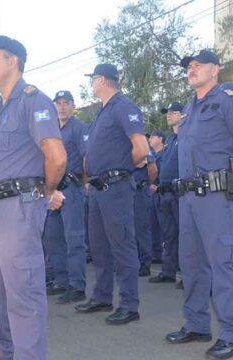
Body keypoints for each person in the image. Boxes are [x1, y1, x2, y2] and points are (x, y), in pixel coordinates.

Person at [0, 35, 66, 360]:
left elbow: (56, 156)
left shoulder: (33, 100)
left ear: (12, 61)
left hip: (18, 207)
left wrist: (48, 191)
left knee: (23, 292)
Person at [165, 50, 233, 360]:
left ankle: (230, 333)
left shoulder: (227, 101)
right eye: (188, 67)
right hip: (188, 198)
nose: (191, 70)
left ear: (215, 70)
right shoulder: (189, 109)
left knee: (223, 265)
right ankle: (196, 324)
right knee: (191, 263)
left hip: (218, 197)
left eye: (197, 65)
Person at [75, 64, 149, 326]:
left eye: (92, 79)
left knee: (122, 245)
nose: (91, 84)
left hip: (116, 187)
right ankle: (102, 296)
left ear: (102, 80)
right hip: (97, 189)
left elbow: (141, 148)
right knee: (99, 247)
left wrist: (121, 169)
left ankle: (129, 305)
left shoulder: (123, 106)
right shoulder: (101, 112)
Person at [43, 90, 88, 304]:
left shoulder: (78, 128)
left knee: (74, 239)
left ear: (73, 105)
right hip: (53, 189)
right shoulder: (51, 129)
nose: (61, 107)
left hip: (72, 188)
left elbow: (86, 157)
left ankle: (77, 286)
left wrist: (85, 184)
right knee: (53, 237)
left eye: (65, 103)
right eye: (58, 103)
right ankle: (61, 280)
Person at [149, 102, 183, 285]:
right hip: (165, 193)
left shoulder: (187, 135)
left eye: (174, 112)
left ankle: (188, 274)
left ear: (183, 115)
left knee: (185, 235)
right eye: (167, 112)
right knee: (169, 235)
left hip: (179, 193)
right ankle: (168, 271)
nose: (169, 115)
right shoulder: (170, 138)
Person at [133, 148, 157, 277]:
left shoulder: (143, 147)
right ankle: (133, 261)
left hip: (139, 190)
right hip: (126, 191)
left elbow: (153, 170)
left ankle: (145, 263)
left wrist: (147, 184)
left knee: (141, 228)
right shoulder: (121, 145)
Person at [148, 129, 166, 264]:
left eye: (153, 137)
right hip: (151, 193)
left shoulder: (166, 153)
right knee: (152, 225)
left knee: (165, 226)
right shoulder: (151, 154)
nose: (150, 139)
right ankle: (156, 254)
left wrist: (156, 185)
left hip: (163, 191)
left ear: (160, 138)